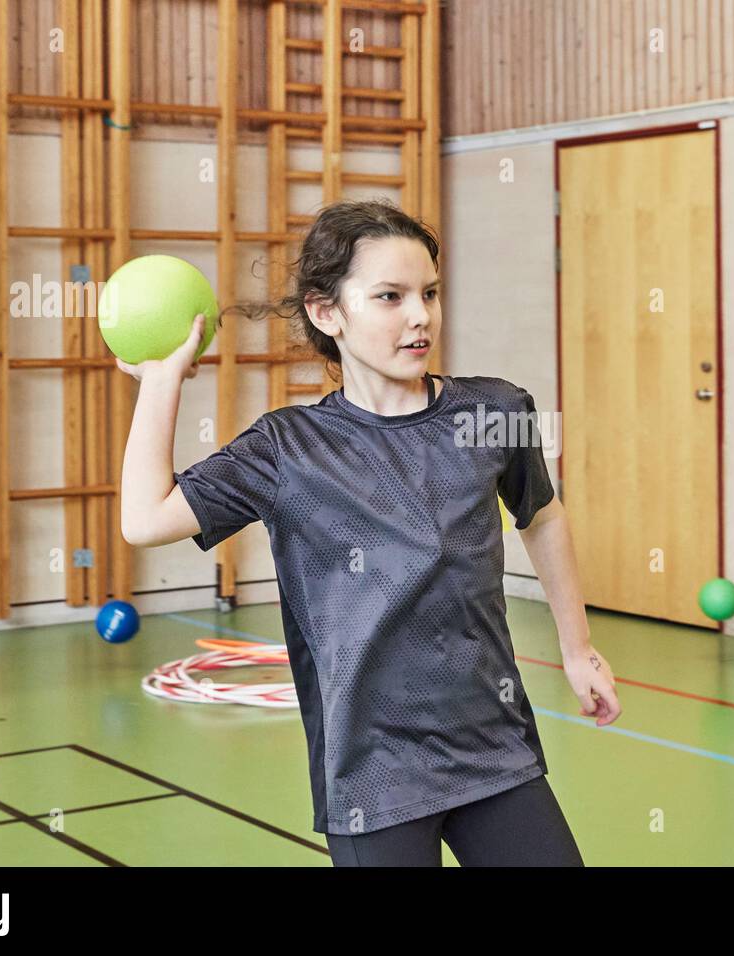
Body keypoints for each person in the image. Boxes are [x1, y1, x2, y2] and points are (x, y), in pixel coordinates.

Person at [117, 198, 621, 866]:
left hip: (491, 747)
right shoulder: (287, 448)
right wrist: (161, 382)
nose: (420, 316)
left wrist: (577, 647)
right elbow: (144, 518)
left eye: (430, 294)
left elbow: (543, 516)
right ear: (328, 313)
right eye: (390, 296)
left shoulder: (496, 410)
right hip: (372, 772)